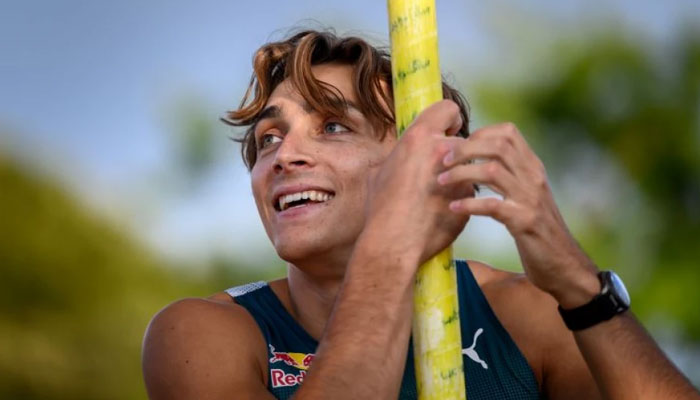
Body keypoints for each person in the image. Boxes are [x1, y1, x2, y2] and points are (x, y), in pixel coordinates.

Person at [141, 30, 700, 400]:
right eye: (268, 138)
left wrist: (582, 288)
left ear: (432, 163)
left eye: (334, 126)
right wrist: (390, 249)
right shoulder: (202, 334)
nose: (284, 156)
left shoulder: (517, 315)